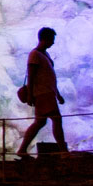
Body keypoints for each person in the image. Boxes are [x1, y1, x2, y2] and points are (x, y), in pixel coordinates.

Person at [17, 27, 67, 157]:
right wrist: (30, 95)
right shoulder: (35, 54)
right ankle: (63, 150)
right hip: (43, 94)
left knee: (40, 122)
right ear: (45, 39)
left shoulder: (44, 54)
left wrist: (58, 94)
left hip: (47, 93)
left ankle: (22, 149)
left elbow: (49, 77)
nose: (53, 42)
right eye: (52, 39)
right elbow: (31, 75)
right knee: (56, 119)